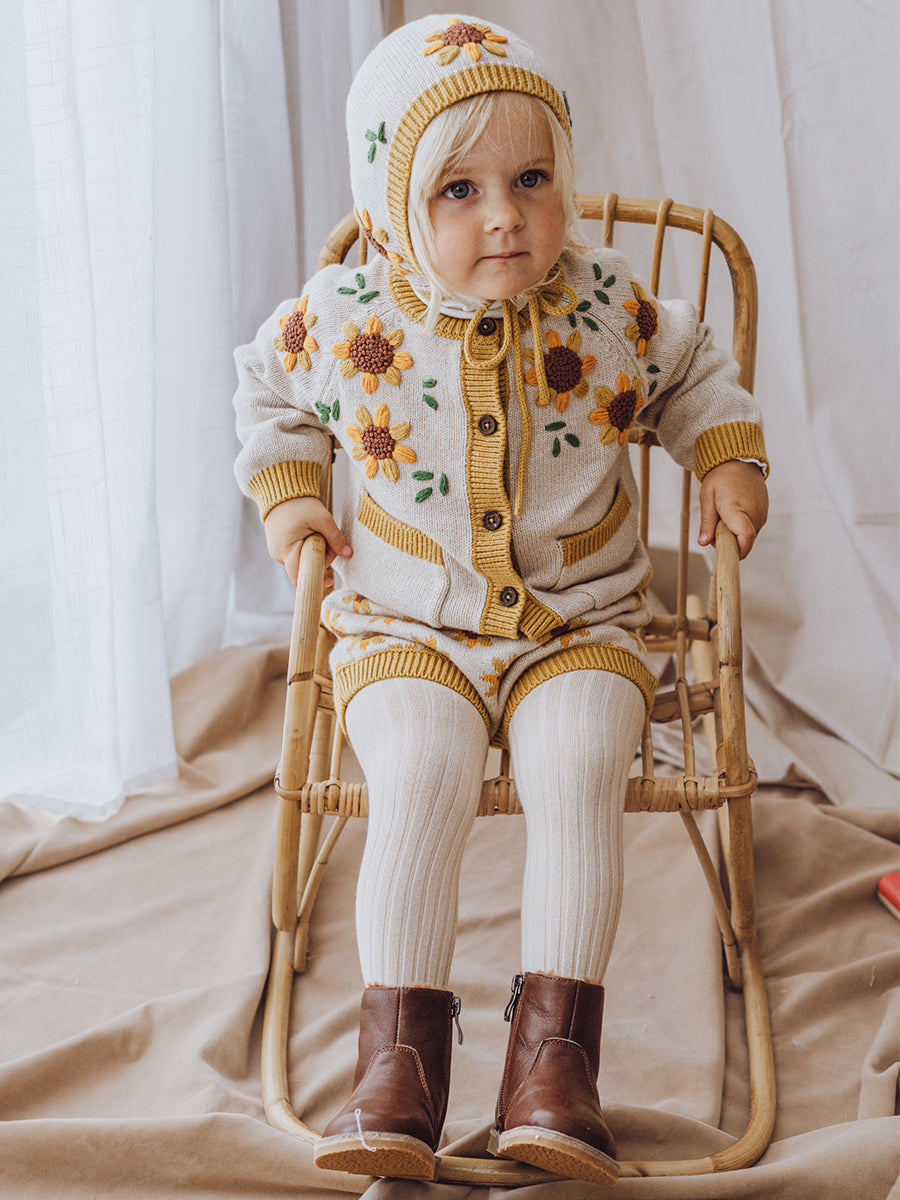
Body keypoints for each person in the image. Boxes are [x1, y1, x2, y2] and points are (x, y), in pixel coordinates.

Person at [233, 13, 768, 1185]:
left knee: (577, 770)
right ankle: (400, 1066)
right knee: (419, 775)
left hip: (583, 621)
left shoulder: (606, 306)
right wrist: (291, 495)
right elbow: (268, 391)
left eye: (532, 179)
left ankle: (553, 1069)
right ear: (389, 207)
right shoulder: (350, 317)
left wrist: (726, 454)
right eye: (458, 191)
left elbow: (694, 371)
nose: (505, 217)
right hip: (406, 626)